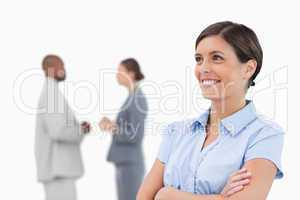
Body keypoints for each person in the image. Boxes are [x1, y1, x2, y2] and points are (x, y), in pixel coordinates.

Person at [137, 21, 284, 200]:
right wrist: (218, 198)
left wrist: (167, 195)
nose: (203, 68)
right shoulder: (176, 132)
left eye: (216, 58)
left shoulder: (264, 135)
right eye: (199, 59)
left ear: (248, 68)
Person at [35, 55, 91, 200]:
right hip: (58, 170)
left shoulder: (52, 92)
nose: (64, 70)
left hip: (59, 169)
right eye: (61, 66)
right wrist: (81, 130)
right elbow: (57, 131)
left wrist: (78, 128)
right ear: (51, 69)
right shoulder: (51, 95)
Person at [99, 58, 148, 200]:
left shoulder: (137, 98)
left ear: (131, 74)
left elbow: (135, 135)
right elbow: (129, 127)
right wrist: (114, 125)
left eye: (120, 71)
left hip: (130, 164)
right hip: (125, 162)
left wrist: (112, 128)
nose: (117, 75)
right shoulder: (132, 96)